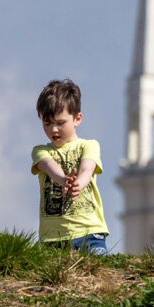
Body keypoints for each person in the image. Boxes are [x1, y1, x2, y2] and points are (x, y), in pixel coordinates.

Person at [30, 79, 110, 254]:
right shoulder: (40, 150)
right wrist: (63, 180)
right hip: (53, 238)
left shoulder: (90, 145)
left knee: (98, 274)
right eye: (47, 123)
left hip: (89, 233)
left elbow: (87, 169)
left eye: (60, 123)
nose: (54, 130)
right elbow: (48, 166)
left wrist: (78, 184)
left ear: (77, 119)